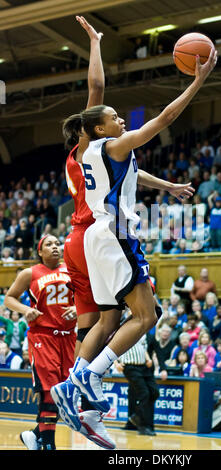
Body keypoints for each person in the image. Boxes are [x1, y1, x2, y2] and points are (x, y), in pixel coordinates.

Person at [52, 16, 195, 445]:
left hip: (88, 239)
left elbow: (129, 165)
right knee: (143, 315)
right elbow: (96, 94)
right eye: (112, 117)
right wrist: (95, 44)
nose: (119, 117)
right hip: (92, 236)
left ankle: (84, 402)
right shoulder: (92, 146)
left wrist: (166, 186)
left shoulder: (88, 153)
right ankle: (87, 383)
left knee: (105, 320)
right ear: (90, 128)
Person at [4, 235, 77, 451]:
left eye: (57, 244)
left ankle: (33, 435)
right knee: (49, 390)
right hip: (43, 337)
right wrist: (26, 310)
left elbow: (87, 295)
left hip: (68, 337)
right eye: (49, 244)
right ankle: (48, 445)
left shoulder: (71, 270)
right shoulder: (30, 273)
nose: (55, 247)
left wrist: (79, 309)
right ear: (40, 251)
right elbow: (10, 298)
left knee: (64, 395)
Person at [114, 333, 159, 436]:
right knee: (144, 394)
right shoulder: (123, 330)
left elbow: (142, 346)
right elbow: (112, 347)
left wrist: (148, 358)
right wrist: (116, 363)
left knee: (154, 392)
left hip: (143, 366)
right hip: (130, 366)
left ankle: (136, 417)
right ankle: (142, 426)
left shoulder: (142, 330)